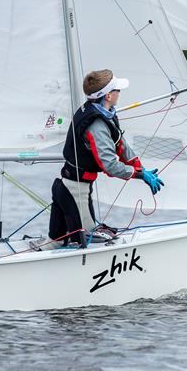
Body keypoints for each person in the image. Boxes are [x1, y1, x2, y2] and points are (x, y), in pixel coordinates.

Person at [31, 70, 164, 251]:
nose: (120, 93)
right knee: (90, 238)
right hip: (74, 190)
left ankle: (55, 244)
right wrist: (140, 175)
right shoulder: (96, 126)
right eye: (117, 90)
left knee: (64, 239)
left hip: (75, 187)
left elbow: (120, 143)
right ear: (108, 95)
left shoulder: (103, 112)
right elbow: (109, 166)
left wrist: (141, 167)